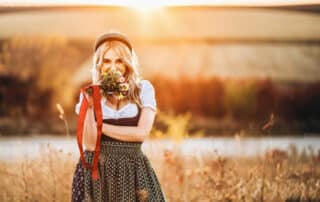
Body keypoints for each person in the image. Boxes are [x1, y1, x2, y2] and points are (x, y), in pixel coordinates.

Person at [71, 32, 167, 202]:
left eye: (119, 60)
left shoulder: (143, 90)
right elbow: (91, 144)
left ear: (128, 63)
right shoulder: (89, 94)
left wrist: (100, 126)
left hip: (133, 170)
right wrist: (91, 106)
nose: (113, 67)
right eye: (107, 61)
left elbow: (141, 133)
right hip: (96, 172)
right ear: (99, 64)